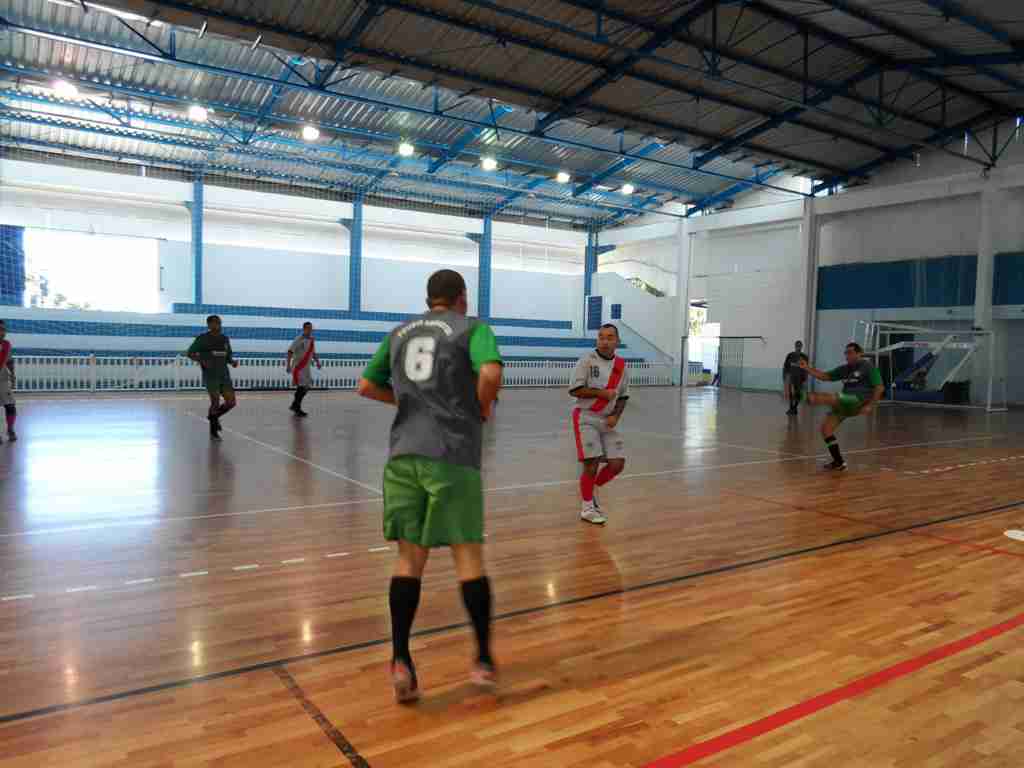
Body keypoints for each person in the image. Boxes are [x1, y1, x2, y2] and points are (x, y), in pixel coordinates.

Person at [357, 269, 503, 703]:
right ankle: (481, 659)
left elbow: (366, 385)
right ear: (461, 298)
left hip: (403, 456)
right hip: (452, 455)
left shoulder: (401, 331)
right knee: (467, 556)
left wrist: (407, 401)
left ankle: (401, 659)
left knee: (409, 560)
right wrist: (478, 408)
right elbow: (490, 374)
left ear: (428, 298)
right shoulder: (471, 327)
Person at [570, 323, 629, 525]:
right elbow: (575, 390)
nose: (604, 341)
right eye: (601, 337)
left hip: (607, 420)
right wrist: (599, 393)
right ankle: (587, 508)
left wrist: (616, 416)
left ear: (617, 341)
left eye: (609, 337)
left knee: (616, 464)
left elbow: (623, 397)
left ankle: (590, 487)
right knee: (591, 463)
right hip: (586, 417)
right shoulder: (586, 361)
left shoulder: (622, 366)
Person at [800, 342, 884, 471]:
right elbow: (825, 376)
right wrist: (807, 368)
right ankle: (838, 462)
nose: (847, 355)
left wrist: (871, 406)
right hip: (844, 404)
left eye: (850, 352)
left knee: (832, 397)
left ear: (859, 353)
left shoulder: (868, 367)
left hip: (857, 400)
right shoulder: (844, 369)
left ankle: (808, 397)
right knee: (826, 430)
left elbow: (879, 387)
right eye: (846, 353)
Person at [186, 315, 239, 440]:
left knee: (231, 402)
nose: (218, 326)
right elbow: (190, 353)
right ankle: (213, 431)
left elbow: (228, 356)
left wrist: (232, 362)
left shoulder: (225, 339)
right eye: (214, 323)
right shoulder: (203, 339)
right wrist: (202, 361)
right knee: (215, 401)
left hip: (224, 375)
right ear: (209, 325)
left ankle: (213, 417)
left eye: (219, 323)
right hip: (211, 375)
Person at [286, 321, 321, 417]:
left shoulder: (312, 340)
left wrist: (317, 362)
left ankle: (294, 405)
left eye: (311, 328)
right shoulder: (299, 339)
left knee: (307, 386)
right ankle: (297, 407)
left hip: (306, 367)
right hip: (298, 366)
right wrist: (288, 365)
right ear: (304, 329)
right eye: (308, 328)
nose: (310, 330)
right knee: (301, 386)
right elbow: (289, 352)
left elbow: (313, 353)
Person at [782, 340, 810, 415]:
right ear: (795, 346)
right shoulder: (790, 355)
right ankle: (791, 407)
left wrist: (805, 379)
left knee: (798, 394)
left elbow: (806, 369)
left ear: (801, 347)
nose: (798, 347)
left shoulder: (805, 357)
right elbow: (785, 367)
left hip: (800, 379)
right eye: (797, 346)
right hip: (791, 378)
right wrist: (784, 376)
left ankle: (795, 408)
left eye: (799, 346)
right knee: (790, 393)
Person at [0, 320, 16, 443]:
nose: (3, 332)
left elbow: (9, 361)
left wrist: (13, 374)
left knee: (10, 406)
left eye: (4, 330)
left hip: (3, 379)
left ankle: (10, 429)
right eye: (0, 329)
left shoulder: (7, 344)